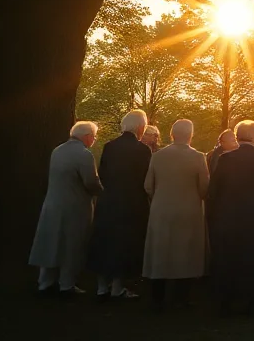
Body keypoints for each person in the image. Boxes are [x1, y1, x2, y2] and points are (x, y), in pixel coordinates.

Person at [207, 120, 254, 315]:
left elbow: (213, 189)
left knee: (229, 257)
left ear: (238, 136)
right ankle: (253, 301)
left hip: (229, 216)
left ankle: (226, 300)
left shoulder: (225, 159)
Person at [28, 121, 103, 297]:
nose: (94, 140)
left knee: (51, 242)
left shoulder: (57, 150)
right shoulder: (84, 154)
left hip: (53, 204)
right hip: (75, 207)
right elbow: (91, 182)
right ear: (87, 136)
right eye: (94, 136)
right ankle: (66, 284)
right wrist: (102, 192)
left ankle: (45, 282)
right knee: (72, 245)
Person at [142, 119, 210, 309]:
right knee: (185, 252)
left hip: (161, 209)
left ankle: (157, 297)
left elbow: (148, 185)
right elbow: (204, 187)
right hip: (188, 210)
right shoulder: (198, 157)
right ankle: (182, 297)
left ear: (172, 134)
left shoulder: (157, 156)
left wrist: (159, 198)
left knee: (160, 251)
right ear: (190, 135)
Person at [87, 110, 153, 300]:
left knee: (105, 240)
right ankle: (117, 287)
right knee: (124, 244)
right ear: (140, 127)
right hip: (132, 203)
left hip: (108, 200)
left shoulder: (109, 146)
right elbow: (145, 179)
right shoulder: (142, 150)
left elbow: (103, 173)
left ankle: (101, 286)